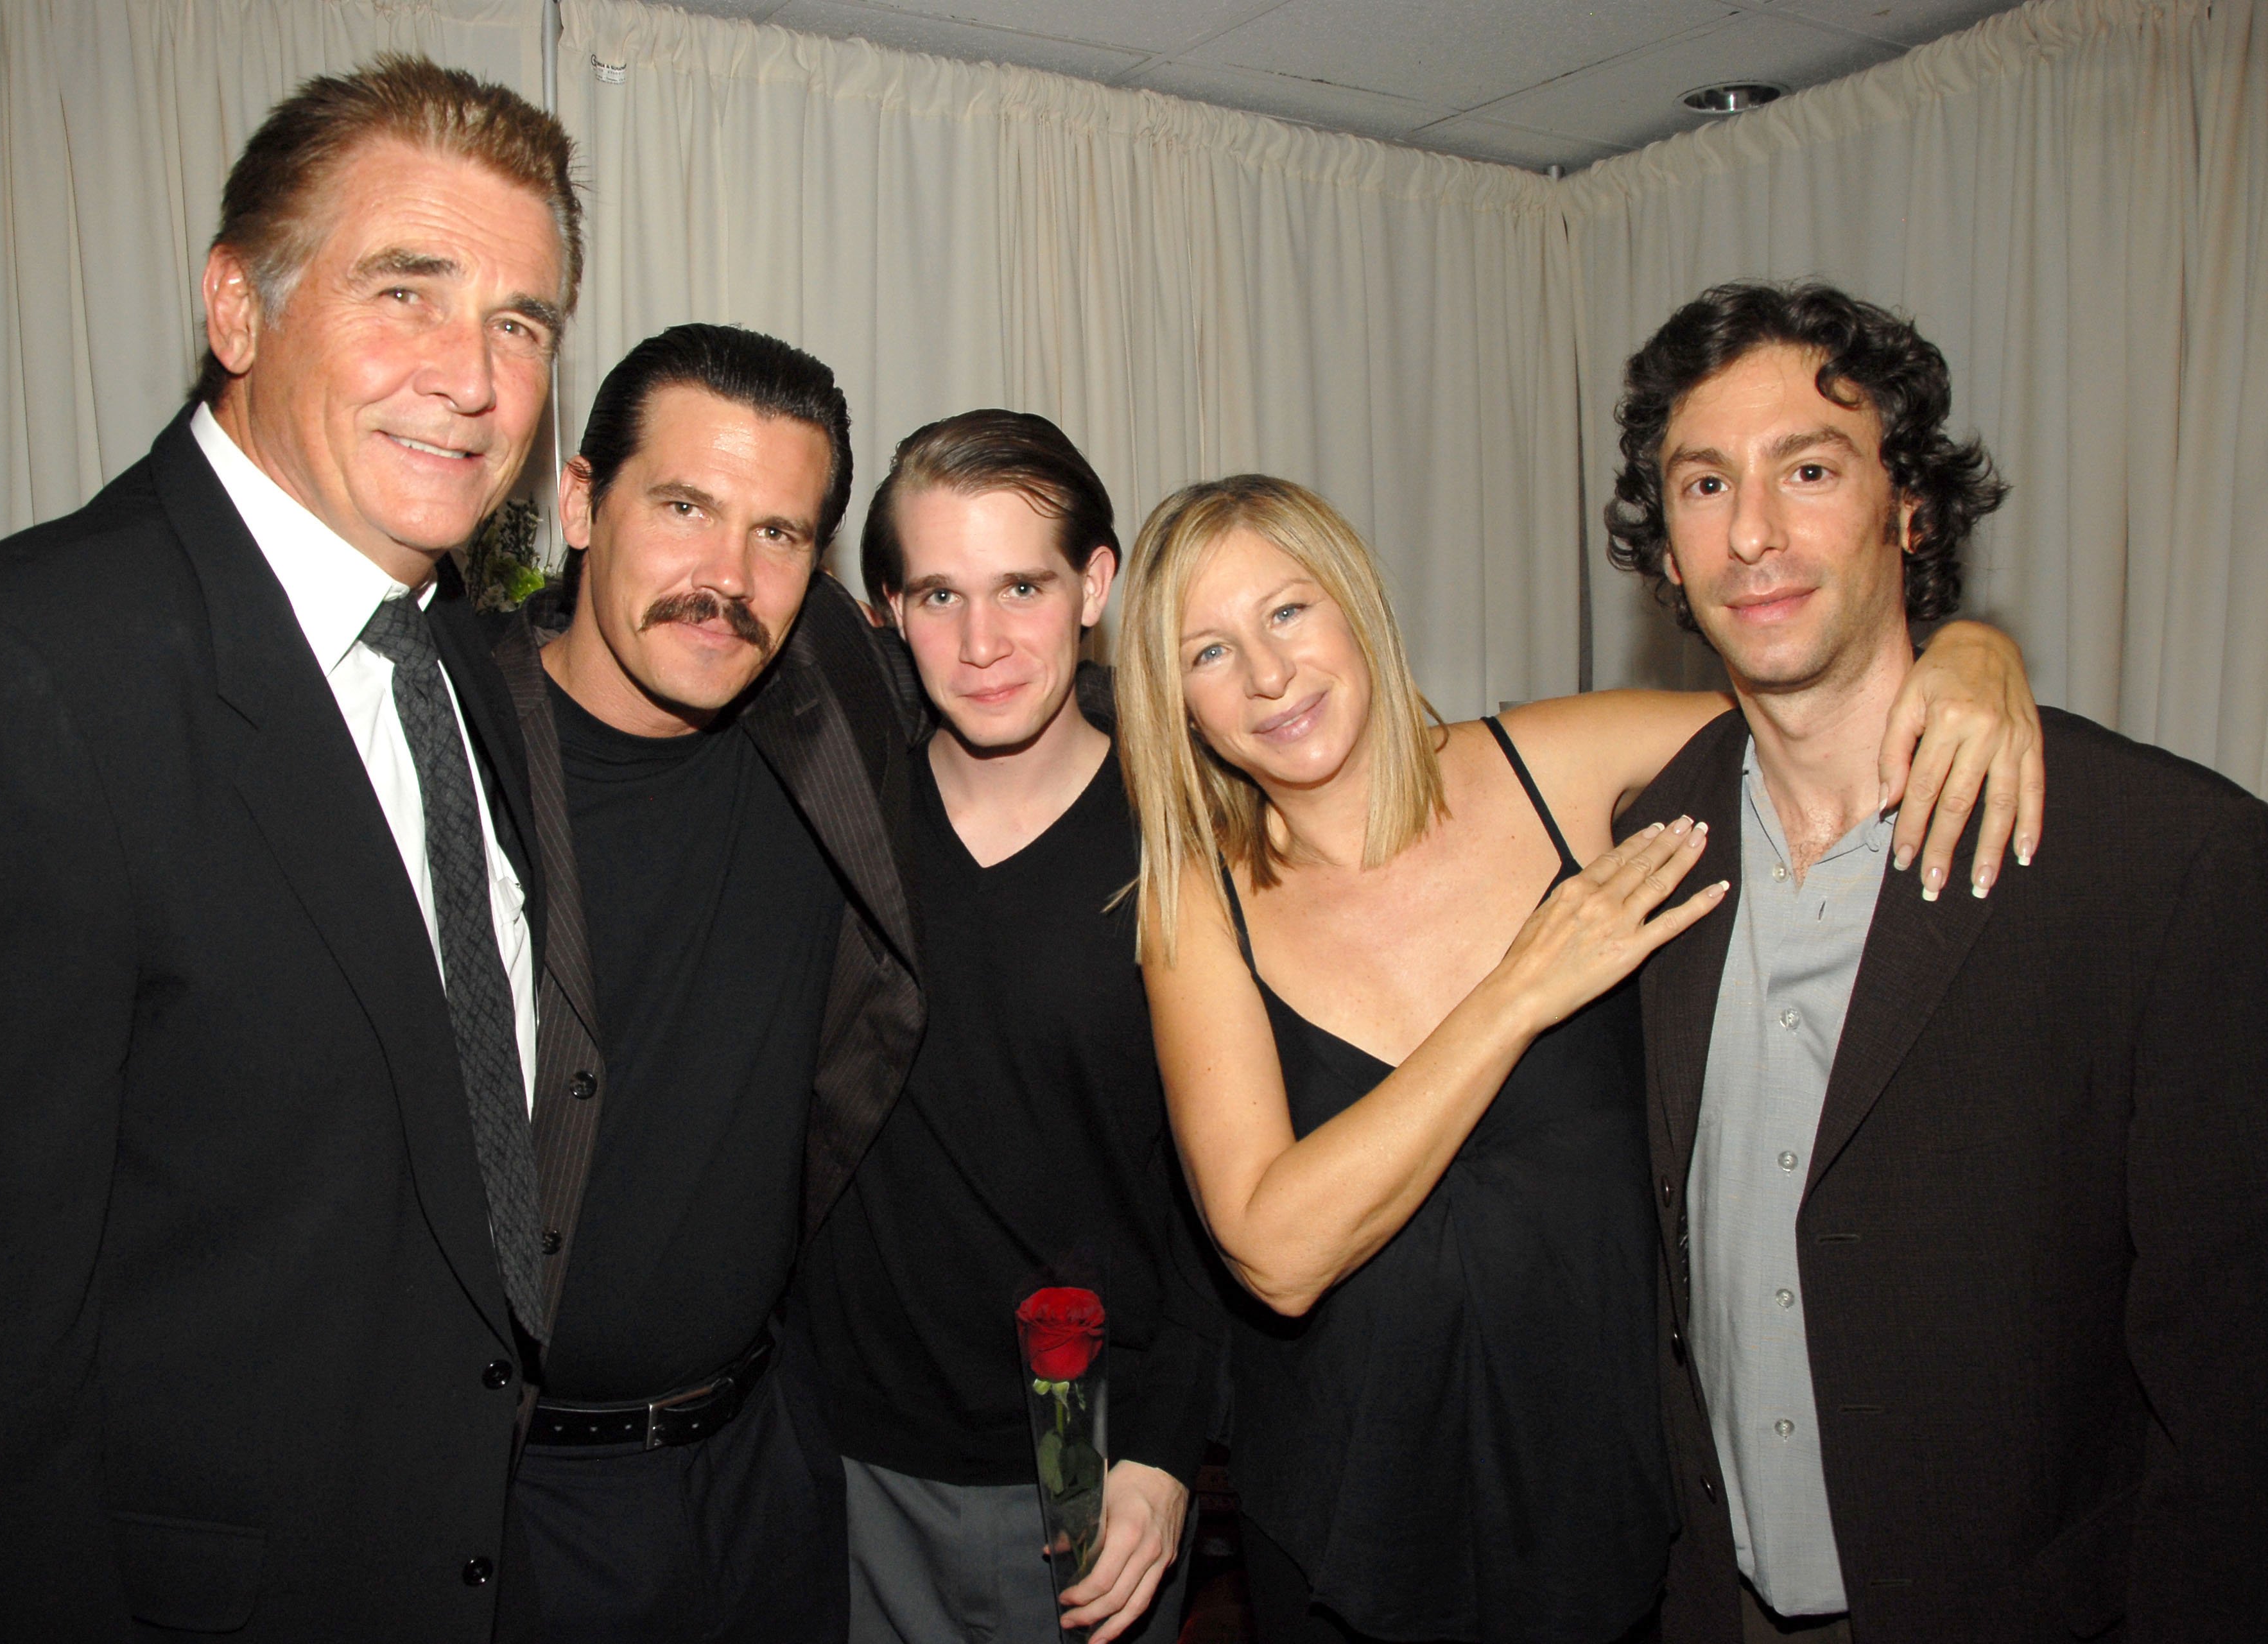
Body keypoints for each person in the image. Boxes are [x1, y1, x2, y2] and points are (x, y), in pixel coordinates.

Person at [0, 56, 577, 1640]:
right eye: (409, 288)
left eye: (522, 323)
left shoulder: (460, 667)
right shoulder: (22, 668)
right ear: (238, 311)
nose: (471, 376)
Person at [1115, 472, 2045, 1643]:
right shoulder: (1195, 909)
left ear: (1354, 604)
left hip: (1624, 1497)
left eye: (1289, 611)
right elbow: (1275, 1251)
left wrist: (1971, 655)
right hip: (1352, 1519)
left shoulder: (1555, 764)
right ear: (1175, 701)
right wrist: (1522, 989)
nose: (1266, 675)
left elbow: (1831, 732)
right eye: (1208, 651)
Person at [1604, 281, 2268, 1643]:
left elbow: (2233, 1386)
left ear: (1910, 508)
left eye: (1809, 468)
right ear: (1666, 552)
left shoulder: (2161, 858)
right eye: (1704, 484)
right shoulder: (1645, 848)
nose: (1754, 533)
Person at [485, 323, 921, 1642]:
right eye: (684, 508)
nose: (726, 578)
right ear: (577, 501)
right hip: (525, 1495)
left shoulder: (828, 696)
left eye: (780, 535)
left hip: (767, 1454)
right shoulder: (446, 750)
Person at [799, 411, 1224, 1643]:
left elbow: (1226, 1179)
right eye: (939, 594)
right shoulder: (834, 825)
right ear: (884, 607)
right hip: (852, 1462)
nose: (982, 643)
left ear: (1095, 583)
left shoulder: (1188, 839)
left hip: (1095, 1469)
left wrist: (1163, 1436)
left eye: (1022, 586)